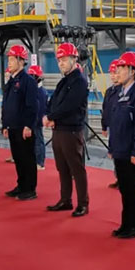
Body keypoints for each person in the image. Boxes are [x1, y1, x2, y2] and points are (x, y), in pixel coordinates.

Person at [109, 52, 135, 239]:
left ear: (133, 71)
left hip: (131, 151)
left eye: (122, 68)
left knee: (132, 188)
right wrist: (112, 147)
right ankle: (126, 223)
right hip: (120, 149)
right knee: (125, 189)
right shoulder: (120, 93)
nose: (117, 72)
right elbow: (115, 123)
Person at [44, 42, 89, 217]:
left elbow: (70, 105)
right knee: (62, 168)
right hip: (59, 130)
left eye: (64, 59)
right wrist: (49, 115)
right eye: (59, 60)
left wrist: (51, 117)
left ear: (73, 59)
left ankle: (83, 203)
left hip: (71, 131)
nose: (61, 63)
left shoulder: (80, 81)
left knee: (76, 169)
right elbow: (53, 101)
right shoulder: (64, 81)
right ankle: (65, 199)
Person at [2, 45, 39, 200]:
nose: (9, 63)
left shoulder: (28, 81)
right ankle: (21, 185)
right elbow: (6, 103)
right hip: (12, 126)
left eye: (12, 59)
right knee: (18, 158)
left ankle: (30, 188)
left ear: (21, 61)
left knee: (27, 158)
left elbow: (32, 105)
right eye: (9, 59)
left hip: (23, 127)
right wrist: (5, 124)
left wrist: (28, 125)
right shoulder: (11, 81)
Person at [102, 58, 121, 189]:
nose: (113, 76)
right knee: (114, 154)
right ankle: (118, 177)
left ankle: (123, 179)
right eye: (111, 73)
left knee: (121, 154)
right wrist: (104, 125)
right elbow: (105, 109)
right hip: (112, 127)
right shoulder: (109, 91)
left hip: (120, 127)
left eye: (115, 72)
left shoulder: (123, 90)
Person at [28, 64, 48, 171]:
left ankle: (40, 162)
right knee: (34, 142)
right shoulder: (35, 90)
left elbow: (40, 109)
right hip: (33, 121)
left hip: (37, 121)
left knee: (38, 142)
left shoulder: (40, 92)